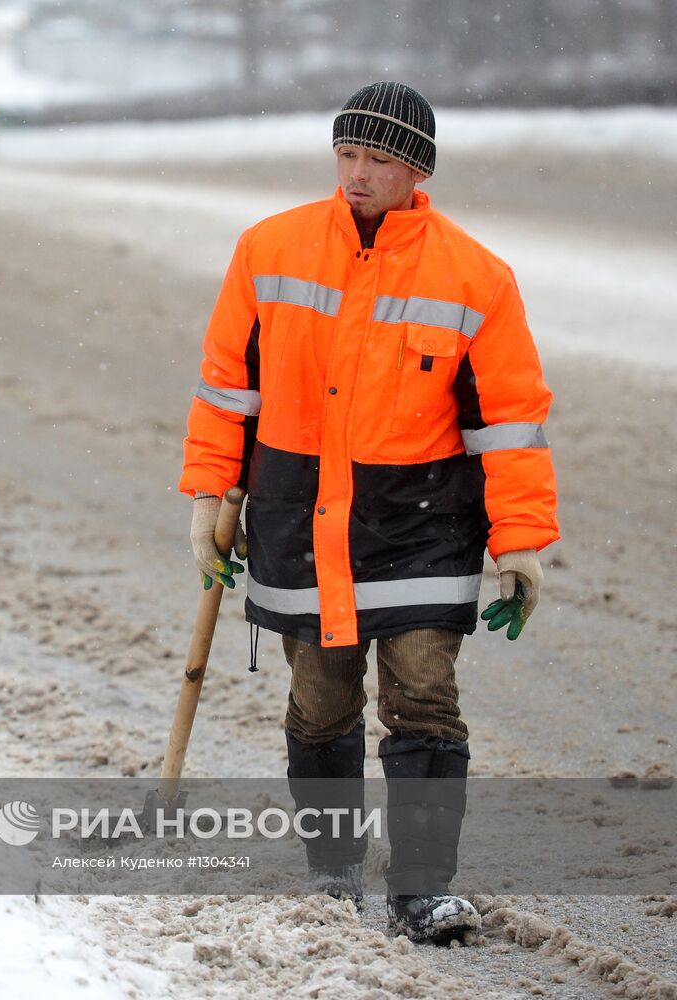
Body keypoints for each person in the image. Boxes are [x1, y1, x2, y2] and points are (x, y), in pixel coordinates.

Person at [180, 82, 559, 944]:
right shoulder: (267, 249)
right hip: (299, 514)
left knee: (424, 701)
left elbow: (510, 425)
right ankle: (333, 876)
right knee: (320, 705)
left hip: (422, 523)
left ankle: (423, 889)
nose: (356, 174)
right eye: (346, 154)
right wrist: (210, 491)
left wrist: (523, 542)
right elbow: (226, 389)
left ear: (415, 168)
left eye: (377, 158)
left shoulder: (476, 276)